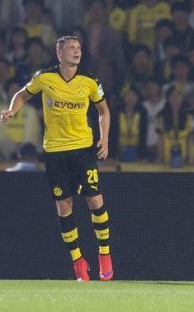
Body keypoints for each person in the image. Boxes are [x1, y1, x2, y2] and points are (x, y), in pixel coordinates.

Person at [0, 36, 112, 282]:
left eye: (79, 48)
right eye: (71, 48)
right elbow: (22, 94)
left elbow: (103, 111)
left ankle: (104, 253)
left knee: (95, 200)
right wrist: (12, 111)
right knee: (64, 206)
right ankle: (78, 261)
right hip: (55, 151)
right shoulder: (44, 78)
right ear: (59, 53)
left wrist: (104, 139)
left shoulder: (90, 81)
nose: (76, 51)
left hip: (83, 149)